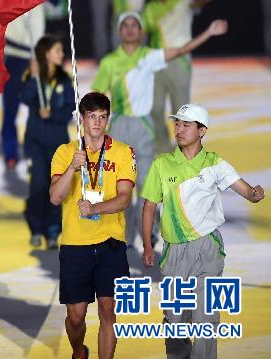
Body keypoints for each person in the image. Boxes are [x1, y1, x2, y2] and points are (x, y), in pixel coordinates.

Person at [92, 12, 227, 246]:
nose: (131, 29)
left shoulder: (149, 57)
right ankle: (119, 235)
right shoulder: (109, 62)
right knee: (119, 188)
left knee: (146, 186)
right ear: (119, 31)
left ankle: (150, 232)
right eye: (126, 25)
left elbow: (181, 51)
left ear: (141, 32)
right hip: (119, 128)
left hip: (144, 127)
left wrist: (209, 32)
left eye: (135, 25)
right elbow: (97, 97)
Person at [141, 103, 264, 359]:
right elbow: (149, 206)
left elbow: (245, 190)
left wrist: (255, 194)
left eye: (186, 124)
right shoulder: (162, 164)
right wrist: (147, 245)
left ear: (202, 131)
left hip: (207, 248)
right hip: (174, 252)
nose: (179, 129)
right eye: (177, 123)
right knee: (175, 322)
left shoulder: (214, 163)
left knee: (206, 319)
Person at [49, 92, 136, 359]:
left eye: (102, 117)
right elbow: (55, 197)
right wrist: (72, 169)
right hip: (76, 244)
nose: (97, 123)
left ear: (108, 119)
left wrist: (95, 208)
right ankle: (78, 351)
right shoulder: (65, 152)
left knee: (108, 311)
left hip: (111, 241)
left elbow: (124, 199)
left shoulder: (122, 152)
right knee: (75, 317)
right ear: (82, 119)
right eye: (91, 117)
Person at [142, 0, 216, 154]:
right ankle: (161, 146)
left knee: (181, 111)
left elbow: (195, 5)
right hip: (157, 62)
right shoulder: (151, 8)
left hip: (179, 63)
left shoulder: (182, 2)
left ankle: (183, 149)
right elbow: (143, 32)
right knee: (154, 108)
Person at [20, 35, 75, 250]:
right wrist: (33, 77)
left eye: (62, 51)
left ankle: (53, 230)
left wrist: (51, 114)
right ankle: (35, 228)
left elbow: (70, 110)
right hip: (36, 143)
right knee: (38, 186)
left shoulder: (65, 79)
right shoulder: (33, 76)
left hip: (58, 144)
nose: (62, 55)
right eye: (58, 51)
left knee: (57, 188)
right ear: (46, 54)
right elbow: (24, 98)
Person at [1, 6, 45, 172]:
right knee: (10, 109)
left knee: (38, 110)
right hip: (13, 57)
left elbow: (58, 7)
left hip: (36, 59)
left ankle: (34, 154)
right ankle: (10, 153)